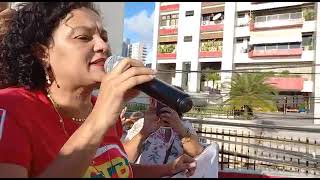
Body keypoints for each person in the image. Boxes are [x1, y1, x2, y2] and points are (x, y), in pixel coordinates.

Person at [0, 2, 196, 178]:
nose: (103, 45)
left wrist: (169, 169)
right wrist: (100, 117)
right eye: (83, 37)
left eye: (103, 37)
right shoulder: (12, 108)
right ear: (43, 53)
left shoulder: (101, 110)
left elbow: (112, 170)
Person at [123, 87, 204, 165]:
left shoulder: (185, 126)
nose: (166, 105)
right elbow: (126, 159)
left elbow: (197, 155)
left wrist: (181, 130)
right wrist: (144, 131)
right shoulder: (142, 124)